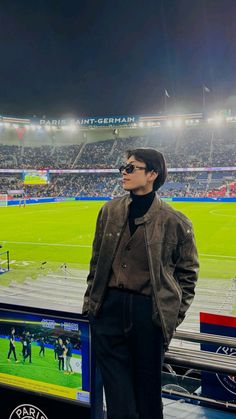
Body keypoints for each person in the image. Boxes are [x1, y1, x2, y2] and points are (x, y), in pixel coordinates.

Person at [82, 148, 199, 419]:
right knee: (118, 398)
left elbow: (188, 275)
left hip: (148, 315)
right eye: (123, 167)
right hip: (108, 312)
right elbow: (96, 262)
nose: (124, 172)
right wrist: (91, 307)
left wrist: (169, 317)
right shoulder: (108, 211)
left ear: (153, 174)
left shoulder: (175, 221)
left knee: (148, 397)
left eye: (132, 168)